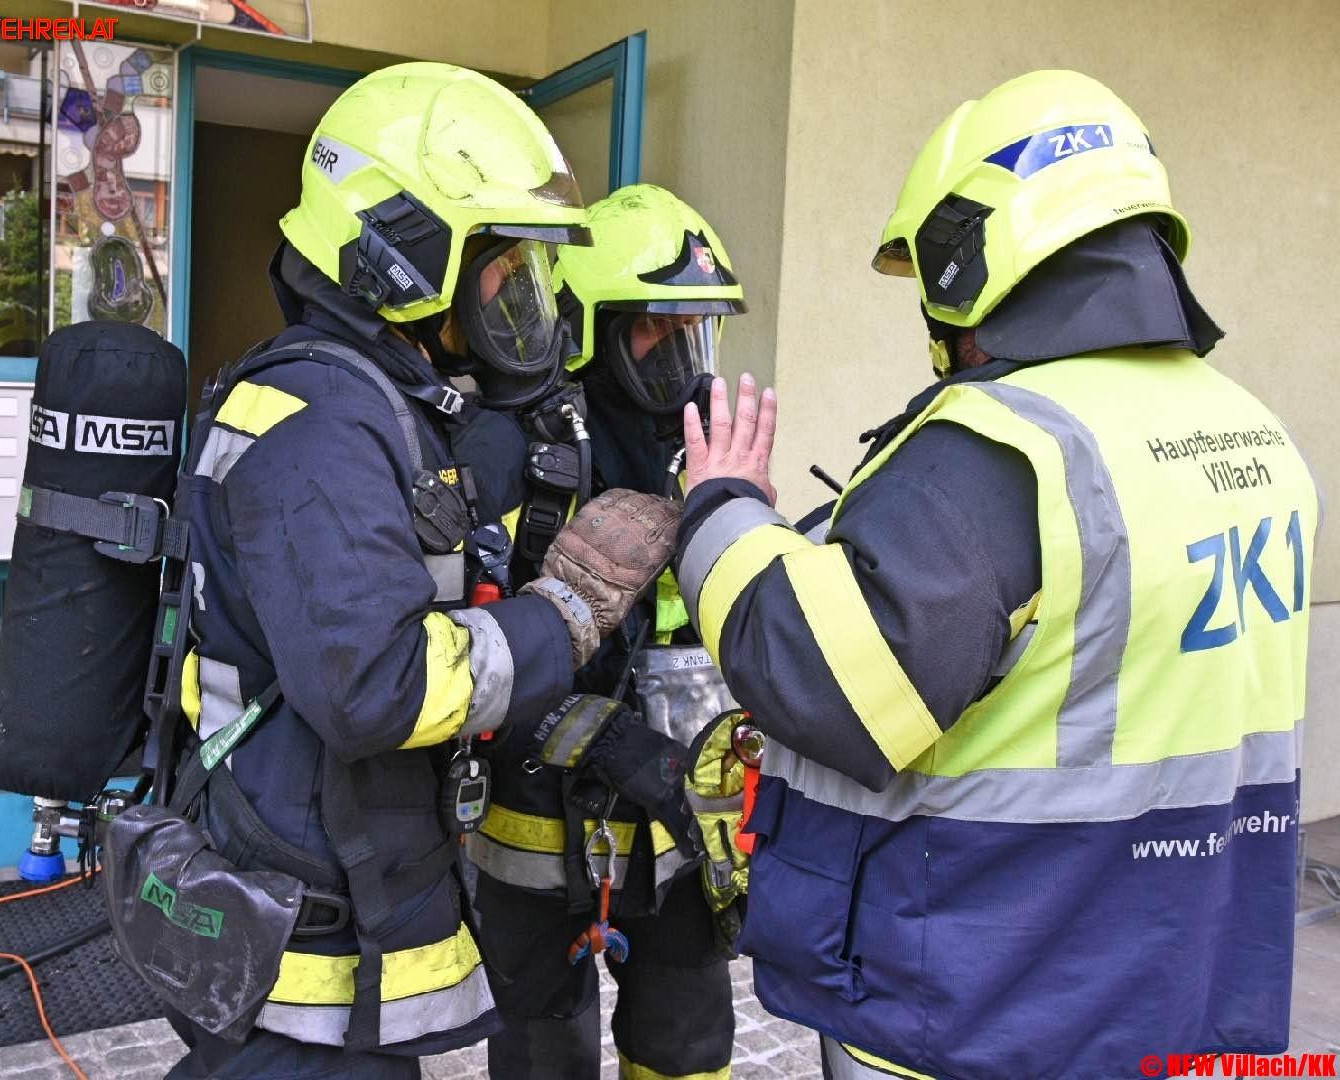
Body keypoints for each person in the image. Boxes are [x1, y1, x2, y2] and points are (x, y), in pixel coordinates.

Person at [673, 69, 1318, 1080]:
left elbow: (828, 683)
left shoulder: (999, 451)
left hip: (982, 1001)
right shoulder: (1251, 432)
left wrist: (722, 508)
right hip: (1178, 993)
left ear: (972, 255)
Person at [160, 63, 677, 1079]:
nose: (521, 302)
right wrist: (564, 609)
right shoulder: (322, 426)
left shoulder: (367, 405)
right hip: (301, 932)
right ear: (401, 253)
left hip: (314, 874)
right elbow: (375, 684)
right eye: (503, 269)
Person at [468, 183, 746, 1080]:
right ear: (589, 328)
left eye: (693, 332)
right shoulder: (514, 454)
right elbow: (463, 652)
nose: (681, 362)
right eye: (654, 330)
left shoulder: (707, 455)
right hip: (537, 819)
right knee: (542, 1051)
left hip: (677, 820)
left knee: (688, 1041)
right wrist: (587, 729)